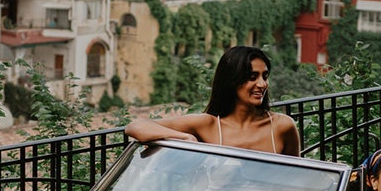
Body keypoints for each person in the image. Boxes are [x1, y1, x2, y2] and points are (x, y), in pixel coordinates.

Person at [124, 45, 301, 157]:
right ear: (232, 80)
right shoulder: (209, 124)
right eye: (252, 77)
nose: (262, 84)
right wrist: (185, 137)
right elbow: (135, 127)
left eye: (265, 76)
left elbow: (297, 179)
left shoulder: (282, 126)